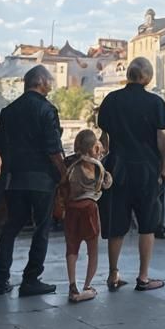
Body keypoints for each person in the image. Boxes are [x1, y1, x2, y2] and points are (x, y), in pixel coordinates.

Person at [97, 56, 165, 291]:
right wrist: (164, 168)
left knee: (116, 223)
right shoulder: (155, 102)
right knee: (147, 223)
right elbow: (162, 139)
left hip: (117, 167)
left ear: (128, 75)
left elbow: (104, 139)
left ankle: (113, 274)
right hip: (146, 169)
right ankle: (143, 276)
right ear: (147, 77)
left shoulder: (111, 100)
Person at [0, 65, 66, 296]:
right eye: (50, 80)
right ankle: (31, 279)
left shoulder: (8, 111)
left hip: (14, 179)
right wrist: (64, 176)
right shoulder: (47, 110)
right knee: (42, 228)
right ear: (40, 82)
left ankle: (0, 279)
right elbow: (54, 150)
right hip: (41, 181)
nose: (52, 84)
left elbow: (2, 147)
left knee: (11, 228)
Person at [64, 129, 113, 303]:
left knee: (72, 248)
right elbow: (105, 185)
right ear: (94, 147)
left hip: (71, 208)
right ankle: (87, 285)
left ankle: (72, 284)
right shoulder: (96, 166)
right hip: (89, 207)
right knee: (92, 250)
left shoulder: (70, 164)